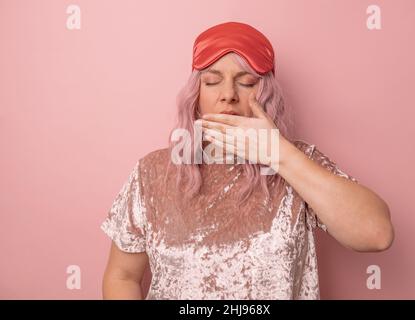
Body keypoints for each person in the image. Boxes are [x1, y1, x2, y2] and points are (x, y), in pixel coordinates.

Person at [100, 21, 394, 300]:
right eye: (213, 81)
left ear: (266, 94)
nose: (228, 95)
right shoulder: (153, 173)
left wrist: (276, 153)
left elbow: (376, 234)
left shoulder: (297, 161)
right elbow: (122, 275)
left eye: (246, 82)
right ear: (196, 94)